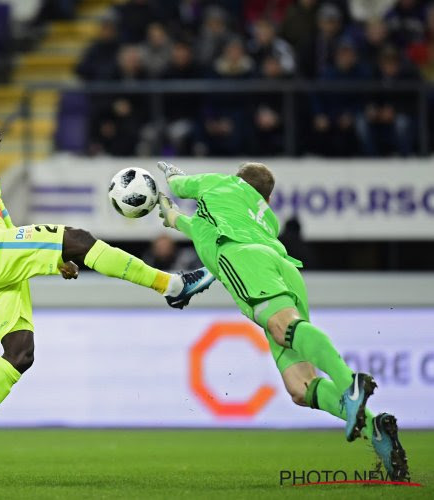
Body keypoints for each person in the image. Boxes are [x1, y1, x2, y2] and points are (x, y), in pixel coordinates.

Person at [0, 101, 215, 480]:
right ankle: (173, 285)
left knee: (20, 354)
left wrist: (51, 259)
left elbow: (4, 221)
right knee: (77, 237)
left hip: (0, 261)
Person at [155, 160, 408, 481]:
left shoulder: (222, 184)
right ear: (268, 200)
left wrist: (172, 177)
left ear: (238, 180)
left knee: (280, 327)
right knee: (300, 387)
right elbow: (206, 229)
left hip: (246, 260)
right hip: (284, 268)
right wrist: (175, 219)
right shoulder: (262, 217)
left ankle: (349, 385)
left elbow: (181, 186)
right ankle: (377, 430)